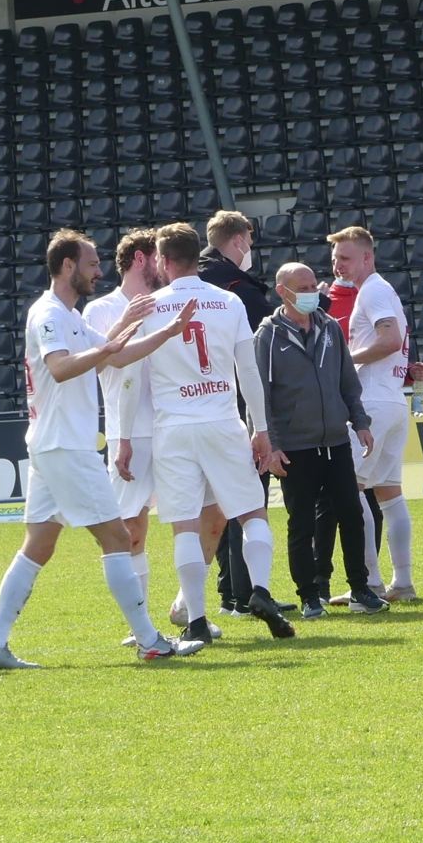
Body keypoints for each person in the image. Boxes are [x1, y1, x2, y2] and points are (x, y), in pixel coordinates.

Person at [0, 229, 201, 668]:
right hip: (66, 446)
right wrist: (110, 345)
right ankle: (150, 641)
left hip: (55, 444)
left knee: (38, 546)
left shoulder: (70, 316)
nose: (99, 271)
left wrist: (170, 330)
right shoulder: (49, 314)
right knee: (117, 538)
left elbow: (116, 356)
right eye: (93, 264)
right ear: (68, 266)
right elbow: (60, 368)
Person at [125, 221, 296, 646]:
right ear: (196, 255)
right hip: (222, 420)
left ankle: (197, 620)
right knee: (252, 513)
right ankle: (261, 591)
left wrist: (125, 437)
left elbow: (131, 379)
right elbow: (248, 371)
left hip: (174, 427)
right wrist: (261, 429)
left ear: (163, 261)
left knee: (185, 526)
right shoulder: (229, 300)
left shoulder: (149, 307)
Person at [254, 262, 387, 617]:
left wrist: (360, 421)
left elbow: (347, 381)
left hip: (336, 441)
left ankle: (360, 588)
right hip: (295, 447)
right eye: (304, 287)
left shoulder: (329, 327)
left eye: (314, 285)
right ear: (282, 291)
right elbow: (260, 394)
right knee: (302, 524)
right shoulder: (267, 336)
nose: (313, 292)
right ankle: (310, 596)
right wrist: (272, 444)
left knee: (352, 515)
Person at [329, 225, 423, 601]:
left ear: (367, 257)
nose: (338, 265)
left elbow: (389, 341)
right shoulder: (379, 291)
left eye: (345, 257)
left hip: (372, 403)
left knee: (350, 489)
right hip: (392, 401)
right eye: (335, 258)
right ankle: (402, 582)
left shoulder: (373, 291)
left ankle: (370, 582)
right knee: (389, 493)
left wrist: (344, 361)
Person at [198, 210, 276, 611]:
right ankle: (246, 591)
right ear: (239, 240)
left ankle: (229, 591)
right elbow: (258, 354)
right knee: (247, 500)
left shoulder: (192, 281)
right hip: (236, 405)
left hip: (194, 406)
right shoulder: (238, 292)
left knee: (213, 505)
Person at [87, 229, 160, 599]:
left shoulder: (170, 303)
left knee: (205, 516)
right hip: (127, 433)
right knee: (131, 529)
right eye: (158, 256)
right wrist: (124, 323)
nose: (165, 264)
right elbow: (93, 367)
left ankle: (189, 608)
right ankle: (141, 620)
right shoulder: (100, 309)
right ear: (140, 258)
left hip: (175, 425)